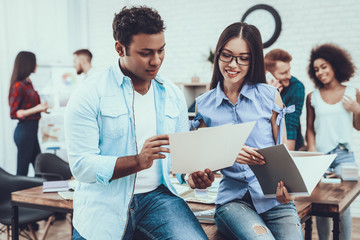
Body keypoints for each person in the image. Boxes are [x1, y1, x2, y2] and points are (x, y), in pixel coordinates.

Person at [64, 6, 213, 240]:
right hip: (104, 203)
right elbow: (82, 166)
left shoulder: (172, 94)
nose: (156, 61)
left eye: (161, 50)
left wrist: (193, 176)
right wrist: (138, 161)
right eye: (146, 53)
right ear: (120, 48)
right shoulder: (89, 94)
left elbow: (182, 161)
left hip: (157, 198)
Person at [191, 22, 303, 240]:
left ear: (253, 61)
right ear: (218, 55)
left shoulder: (270, 96)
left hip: (274, 200)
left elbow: (281, 153)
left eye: (243, 58)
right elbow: (201, 159)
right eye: (227, 55)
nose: (234, 64)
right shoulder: (204, 105)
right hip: (233, 203)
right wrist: (224, 153)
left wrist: (288, 186)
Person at [306, 43, 360, 240]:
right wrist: (312, 151)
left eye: (324, 67)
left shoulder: (352, 93)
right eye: (316, 69)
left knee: (343, 204)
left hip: (345, 156)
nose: (320, 72)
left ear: (335, 65)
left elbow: (358, 126)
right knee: (321, 204)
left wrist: (357, 109)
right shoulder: (312, 97)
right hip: (321, 156)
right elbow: (310, 128)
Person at [8, 51, 49, 176]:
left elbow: (29, 108)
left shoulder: (28, 83)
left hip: (31, 131)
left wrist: (41, 108)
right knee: (22, 171)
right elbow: (14, 113)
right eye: (34, 62)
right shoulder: (18, 86)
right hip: (25, 131)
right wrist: (37, 108)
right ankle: (17, 195)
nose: (36, 65)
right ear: (28, 64)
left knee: (40, 169)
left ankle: (36, 193)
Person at [265, 49, 305, 151]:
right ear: (268, 75)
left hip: (289, 145)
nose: (289, 76)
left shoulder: (296, 87)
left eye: (289, 70)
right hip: (265, 145)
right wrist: (268, 95)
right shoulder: (259, 89)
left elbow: (290, 122)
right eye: (283, 73)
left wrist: (287, 157)